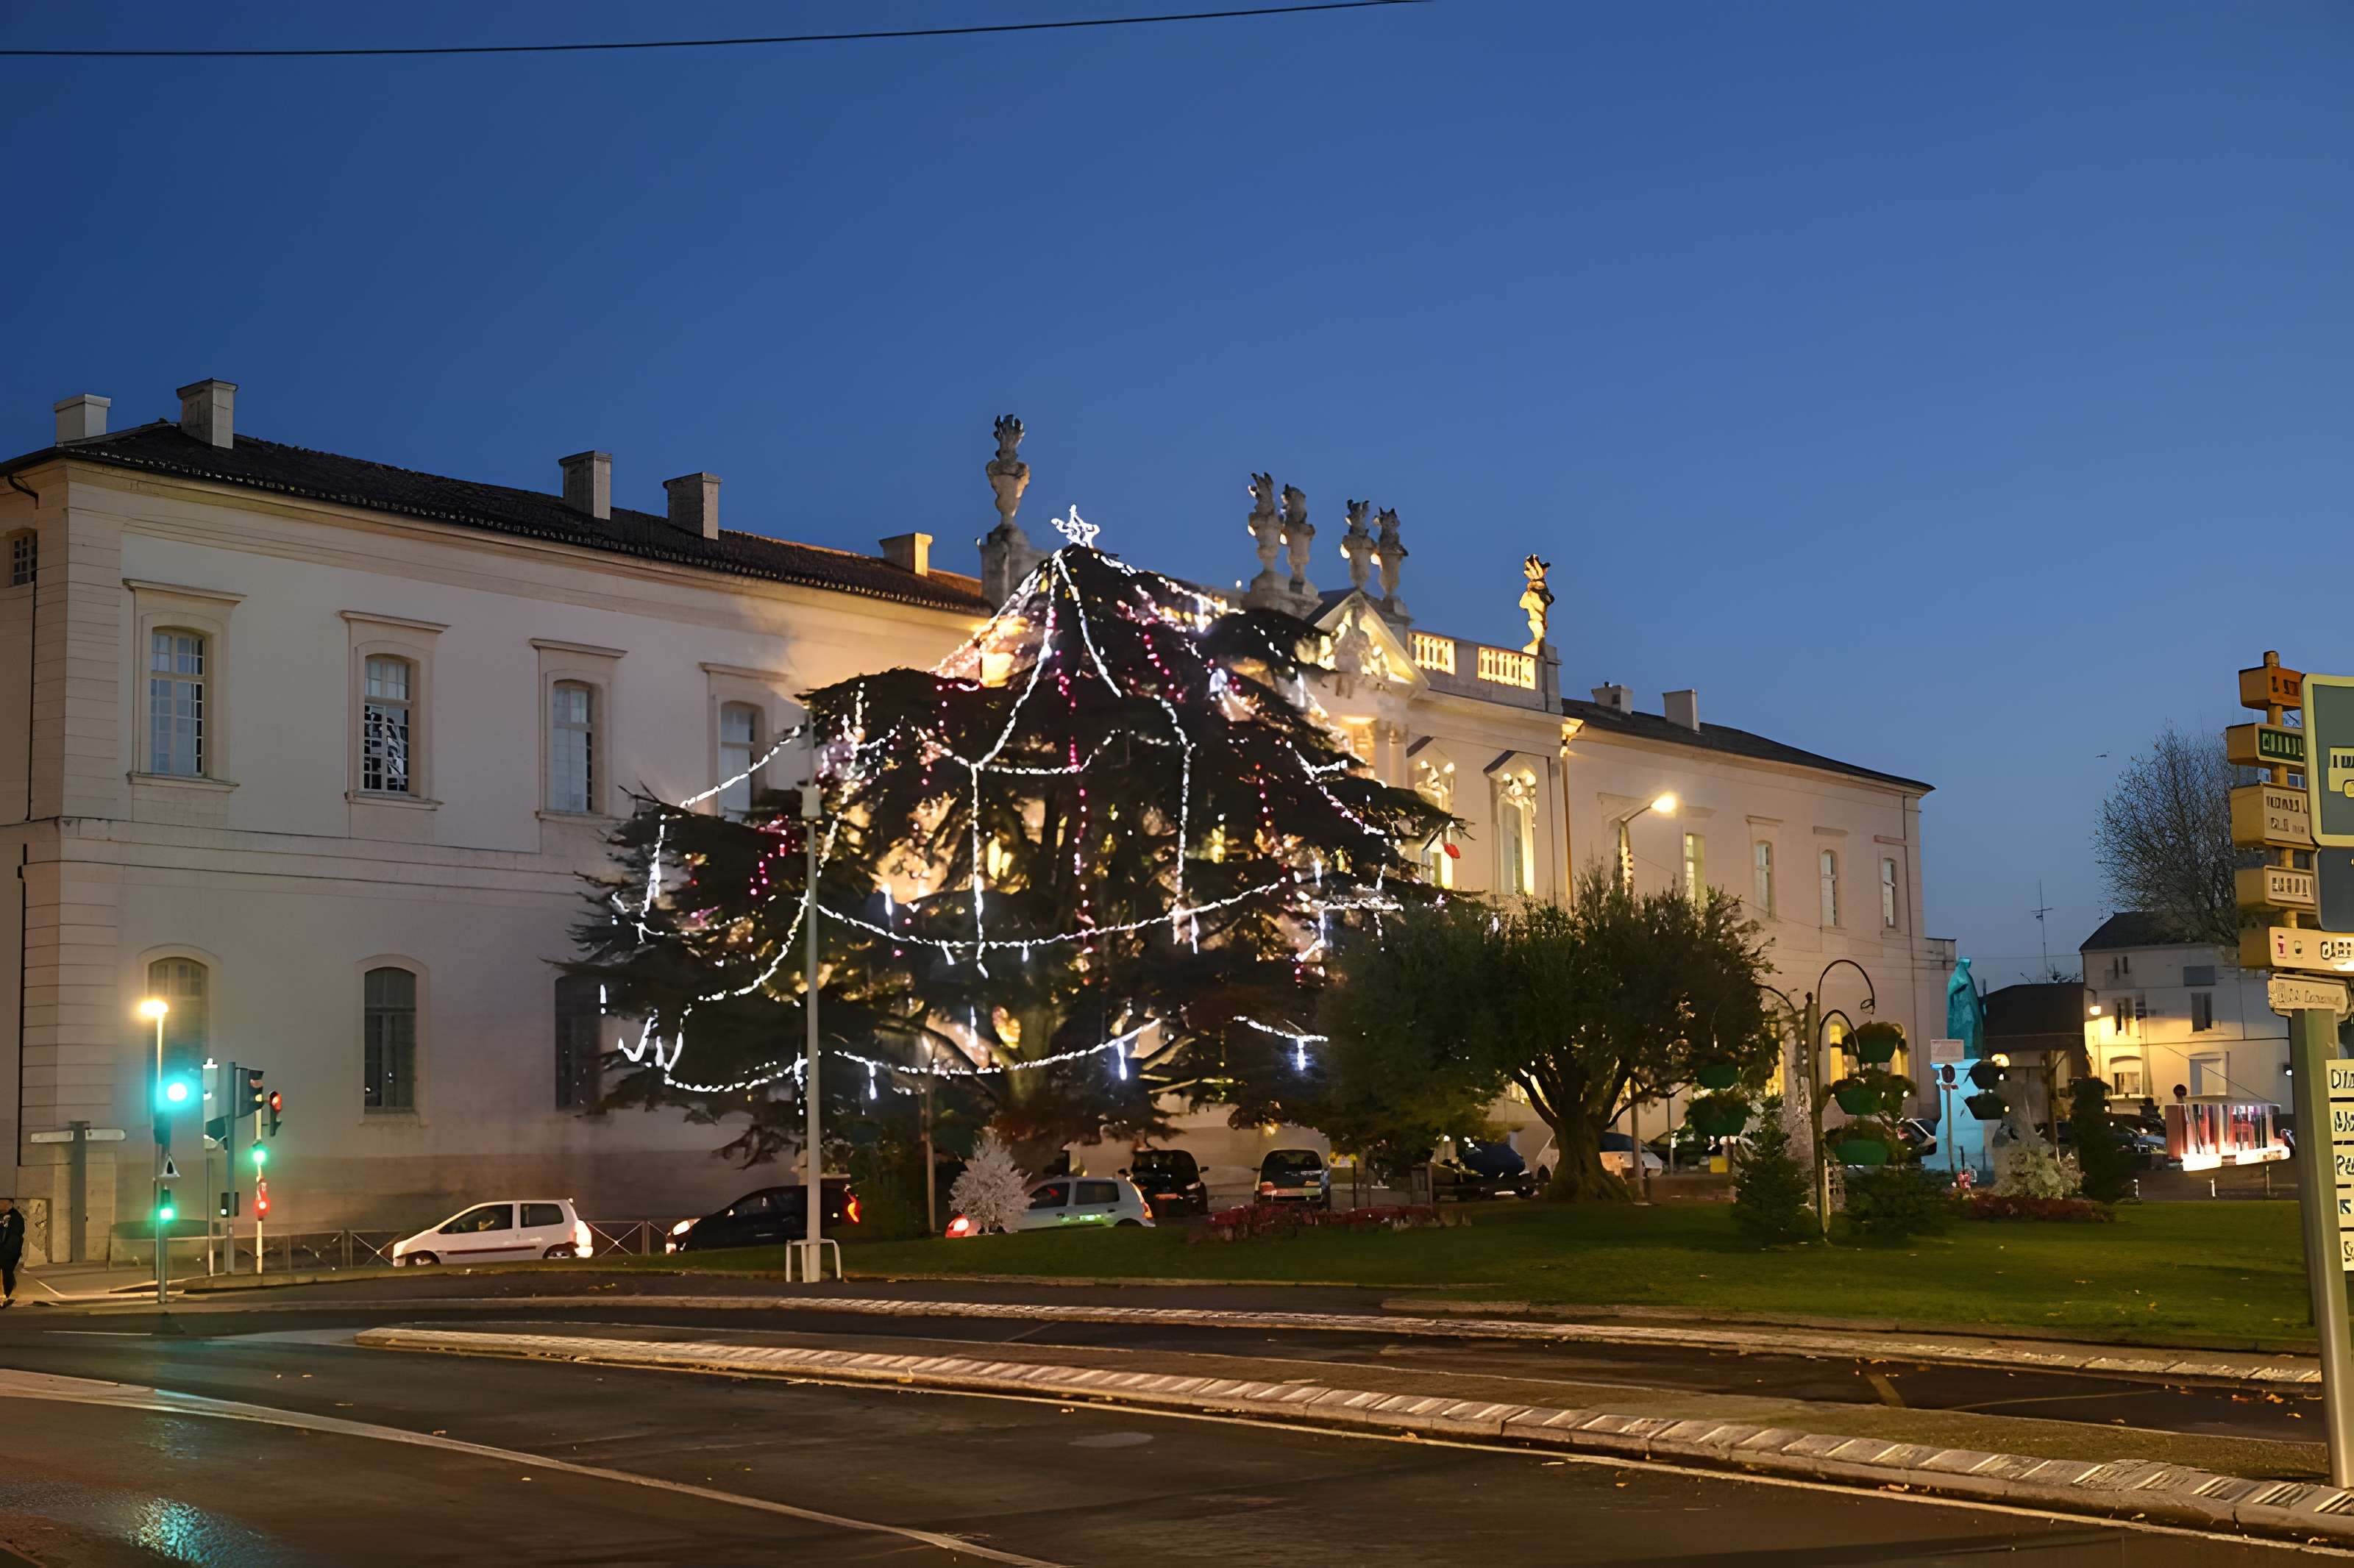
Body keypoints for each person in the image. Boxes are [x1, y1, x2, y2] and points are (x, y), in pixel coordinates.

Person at [0, 1197, 23, 1306]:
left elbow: (15, 1237)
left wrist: (6, 1251)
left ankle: (5, 1296)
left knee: (6, 1273)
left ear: (9, 1204)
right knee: (5, 1274)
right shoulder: (3, 1216)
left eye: (2, 1203)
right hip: (5, 1251)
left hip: (8, 1252)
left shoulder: (15, 1217)